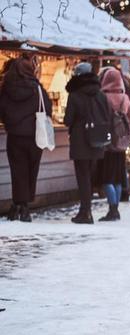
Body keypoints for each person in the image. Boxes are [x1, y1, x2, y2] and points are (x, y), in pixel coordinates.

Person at [0, 55, 51, 222]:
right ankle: (25, 206)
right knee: (31, 170)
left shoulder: (6, 89)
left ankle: (19, 205)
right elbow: (48, 110)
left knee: (18, 172)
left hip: (15, 136)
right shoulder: (38, 89)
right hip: (35, 137)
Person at [64, 62, 109, 224]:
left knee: (82, 177)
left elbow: (68, 120)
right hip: (97, 140)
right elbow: (107, 116)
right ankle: (86, 211)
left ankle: (85, 212)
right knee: (89, 177)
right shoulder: (101, 95)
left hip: (80, 141)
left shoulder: (75, 95)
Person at [98, 67, 130, 221]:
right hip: (121, 144)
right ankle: (116, 209)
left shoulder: (102, 97)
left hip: (107, 143)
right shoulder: (125, 98)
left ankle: (112, 209)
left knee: (106, 178)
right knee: (118, 178)